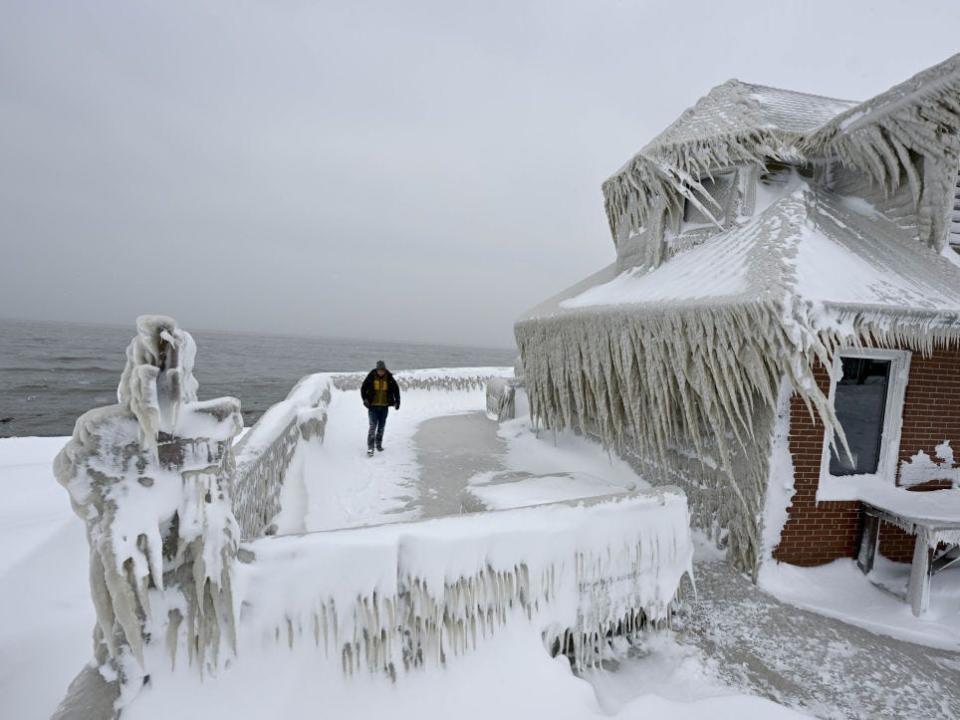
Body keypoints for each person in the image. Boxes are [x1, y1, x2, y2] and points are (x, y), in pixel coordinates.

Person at [360, 360, 400, 456]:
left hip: (384, 407)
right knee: (373, 427)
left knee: (381, 427)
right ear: (377, 370)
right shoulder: (371, 376)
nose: (381, 372)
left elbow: (396, 390)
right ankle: (370, 447)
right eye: (380, 370)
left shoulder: (389, 377)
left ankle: (378, 444)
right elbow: (363, 388)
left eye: (383, 370)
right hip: (373, 407)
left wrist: (397, 401)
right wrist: (365, 399)